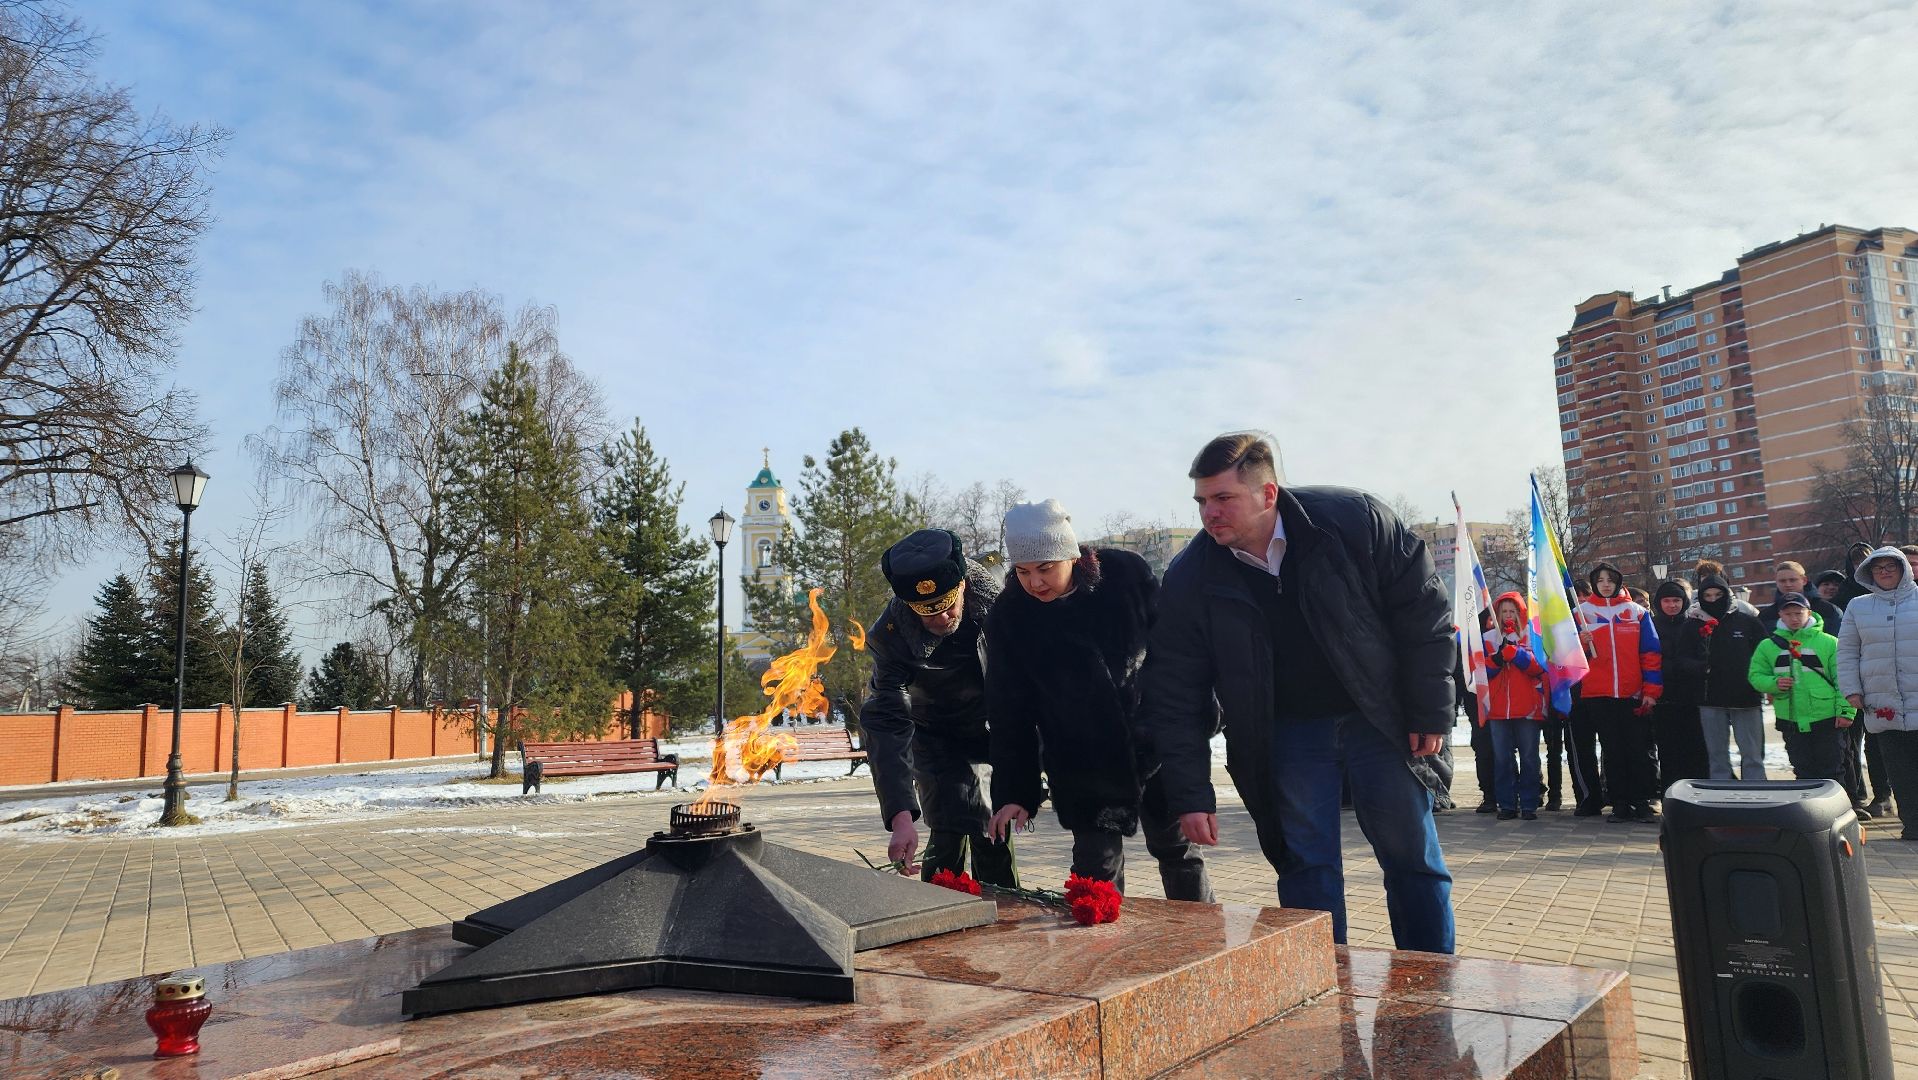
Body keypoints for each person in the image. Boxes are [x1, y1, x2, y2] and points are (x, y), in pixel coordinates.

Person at [1140, 432, 1455, 952]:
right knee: (1306, 866)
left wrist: (1431, 711)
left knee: (1412, 857)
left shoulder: (1353, 522)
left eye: (1223, 499)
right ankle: (1323, 986)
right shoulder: (1191, 577)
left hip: (1379, 719)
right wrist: (1191, 793)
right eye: (1201, 501)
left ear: (1268, 494)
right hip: (1285, 735)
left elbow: (1424, 616)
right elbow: (1174, 690)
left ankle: (1434, 981)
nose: (1209, 514)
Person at [985, 500, 1213, 901]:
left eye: (1045, 568)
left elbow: (1174, 657)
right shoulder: (1010, 617)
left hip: (1153, 745)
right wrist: (1015, 792)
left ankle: (1207, 946)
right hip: (1083, 762)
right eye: (1022, 571)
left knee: (1178, 851)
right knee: (1095, 871)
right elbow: (1010, 712)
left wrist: (1190, 728)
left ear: (1071, 555)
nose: (1034, 583)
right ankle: (1099, 959)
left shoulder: (1126, 577)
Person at [860, 529, 1017, 885]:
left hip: (996, 728)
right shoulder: (890, 637)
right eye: (927, 614)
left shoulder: (1003, 603)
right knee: (948, 827)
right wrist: (900, 817)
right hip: (935, 736)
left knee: (994, 831)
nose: (942, 619)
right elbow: (886, 722)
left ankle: (1006, 916)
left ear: (963, 586)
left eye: (948, 607)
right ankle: (939, 911)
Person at [1838, 548, 1918, 838]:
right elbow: (1846, 651)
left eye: (1891, 566)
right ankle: (1912, 825)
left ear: (1903, 570)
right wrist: (1852, 689)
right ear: (1869, 573)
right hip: (1882, 700)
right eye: (1878, 568)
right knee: (1899, 769)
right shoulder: (1858, 606)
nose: (1884, 572)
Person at [1575, 563, 1662, 823]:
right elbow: (1564, 655)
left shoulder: (1636, 612)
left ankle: (1642, 802)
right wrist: (1581, 642)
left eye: (1610, 579)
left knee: (1637, 750)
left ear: (1618, 581)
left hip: (1631, 694)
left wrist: (1651, 691)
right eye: (1599, 579)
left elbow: (1651, 655)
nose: (1605, 584)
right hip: (1598, 695)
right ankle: (1620, 803)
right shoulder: (1581, 613)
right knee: (1612, 751)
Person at [1749, 592, 1855, 787]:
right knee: (1802, 768)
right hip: (1790, 719)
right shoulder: (1768, 646)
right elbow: (1755, 675)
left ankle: (1835, 811)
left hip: (1827, 717)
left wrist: (1846, 711)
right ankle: (1810, 813)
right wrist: (1774, 684)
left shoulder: (1829, 642)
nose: (1794, 618)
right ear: (1780, 615)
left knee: (1833, 768)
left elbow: (1844, 679)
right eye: (1788, 614)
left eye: (1798, 613)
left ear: (1809, 612)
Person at [1687, 575, 1769, 783]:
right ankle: (1721, 789)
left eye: (1718, 595)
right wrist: (1699, 667)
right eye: (1708, 596)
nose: (1713, 600)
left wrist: (1761, 682)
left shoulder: (1747, 621)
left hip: (1746, 697)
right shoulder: (1693, 624)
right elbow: (1682, 657)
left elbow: (1764, 654)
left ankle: (1756, 787)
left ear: (1727, 594)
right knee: (1717, 755)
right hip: (1710, 698)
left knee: (1752, 754)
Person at [1481, 593, 1544, 820]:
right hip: (1497, 709)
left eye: (1512, 611)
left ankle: (1529, 804)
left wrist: (1517, 654)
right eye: (1504, 612)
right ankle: (1507, 804)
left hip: (1526, 707)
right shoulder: (1488, 638)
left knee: (1529, 756)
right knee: (1502, 758)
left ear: (1520, 613)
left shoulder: (1531, 637)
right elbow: (1479, 672)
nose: (1508, 615)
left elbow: (1539, 668)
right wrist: (1497, 659)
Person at [1650, 578, 1710, 790]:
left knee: (1695, 747)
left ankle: (1699, 792)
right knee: (1668, 750)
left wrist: (1692, 667)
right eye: (1667, 601)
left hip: (1691, 698)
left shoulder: (1694, 625)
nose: (1672, 605)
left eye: (1676, 600)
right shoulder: (1652, 626)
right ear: (1659, 603)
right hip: (1663, 698)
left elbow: (1703, 656)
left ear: (1684, 602)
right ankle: (1671, 793)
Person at [1759, 561, 1843, 636]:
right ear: (1776, 582)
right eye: (1782, 581)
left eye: (1792, 580)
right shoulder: (1766, 616)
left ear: (1804, 580)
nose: (1788, 584)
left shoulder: (1829, 610)